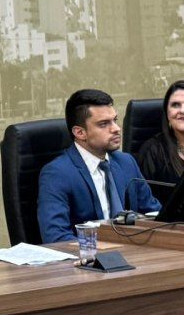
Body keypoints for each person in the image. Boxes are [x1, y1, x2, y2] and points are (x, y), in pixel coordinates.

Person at [37, 88, 161, 243]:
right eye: (104, 124)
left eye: (115, 120)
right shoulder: (57, 174)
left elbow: (155, 214)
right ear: (80, 133)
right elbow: (56, 237)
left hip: (136, 254)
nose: (116, 128)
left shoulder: (126, 162)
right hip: (91, 260)